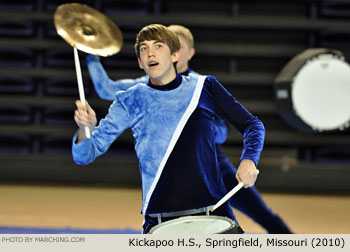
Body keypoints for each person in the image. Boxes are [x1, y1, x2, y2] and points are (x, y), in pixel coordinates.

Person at [85, 25, 292, 234]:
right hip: (174, 178)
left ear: (183, 53)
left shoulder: (202, 86)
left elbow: (225, 131)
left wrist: (242, 155)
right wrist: (91, 51)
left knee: (262, 214)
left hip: (213, 167)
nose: (153, 53)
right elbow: (105, 89)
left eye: (164, 46)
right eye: (148, 48)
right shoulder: (142, 89)